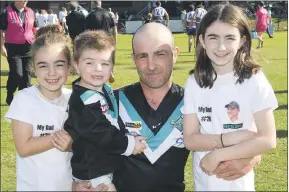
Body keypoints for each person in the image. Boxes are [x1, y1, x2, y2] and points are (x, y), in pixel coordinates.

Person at [73, 22, 262, 192]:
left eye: (160, 54)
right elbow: (77, 142)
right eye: (142, 56)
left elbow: (239, 135)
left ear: (175, 54)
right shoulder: (111, 102)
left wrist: (252, 157)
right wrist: (77, 183)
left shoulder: (194, 102)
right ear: (133, 58)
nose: (151, 65)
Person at [182, 4, 277, 191]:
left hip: (240, 185)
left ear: (242, 40)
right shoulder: (194, 82)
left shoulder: (254, 79)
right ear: (201, 39)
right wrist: (231, 138)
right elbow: (190, 139)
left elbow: (268, 139)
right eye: (213, 38)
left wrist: (218, 155)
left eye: (229, 38)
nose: (221, 47)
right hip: (205, 183)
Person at [64, 30, 146, 191]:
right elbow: (101, 132)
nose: (98, 69)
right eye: (89, 63)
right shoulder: (82, 101)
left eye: (105, 63)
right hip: (93, 174)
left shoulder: (102, 90)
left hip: (104, 166)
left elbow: (112, 119)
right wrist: (130, 144)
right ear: (76, 65)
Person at [5, 32, 74, 190]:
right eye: (43, 65)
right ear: (32, 67)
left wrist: (72, 144)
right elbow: (24, 147)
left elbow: (82, 146)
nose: (51, 72)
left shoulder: (74, 99)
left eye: (59, 64)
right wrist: (60, 138)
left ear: (69, 66)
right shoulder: (24, 100)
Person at [0, 0, 38, 105]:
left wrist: (37, 43)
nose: (25, 1)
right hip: (13, 48)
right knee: (17, 73)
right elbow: (1, 30)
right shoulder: (7, 11)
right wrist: (2, 46)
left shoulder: (30, 11)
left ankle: (24, 99)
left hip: (29, 48)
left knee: (27, 75)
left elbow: (35, 28)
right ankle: (10, 92)